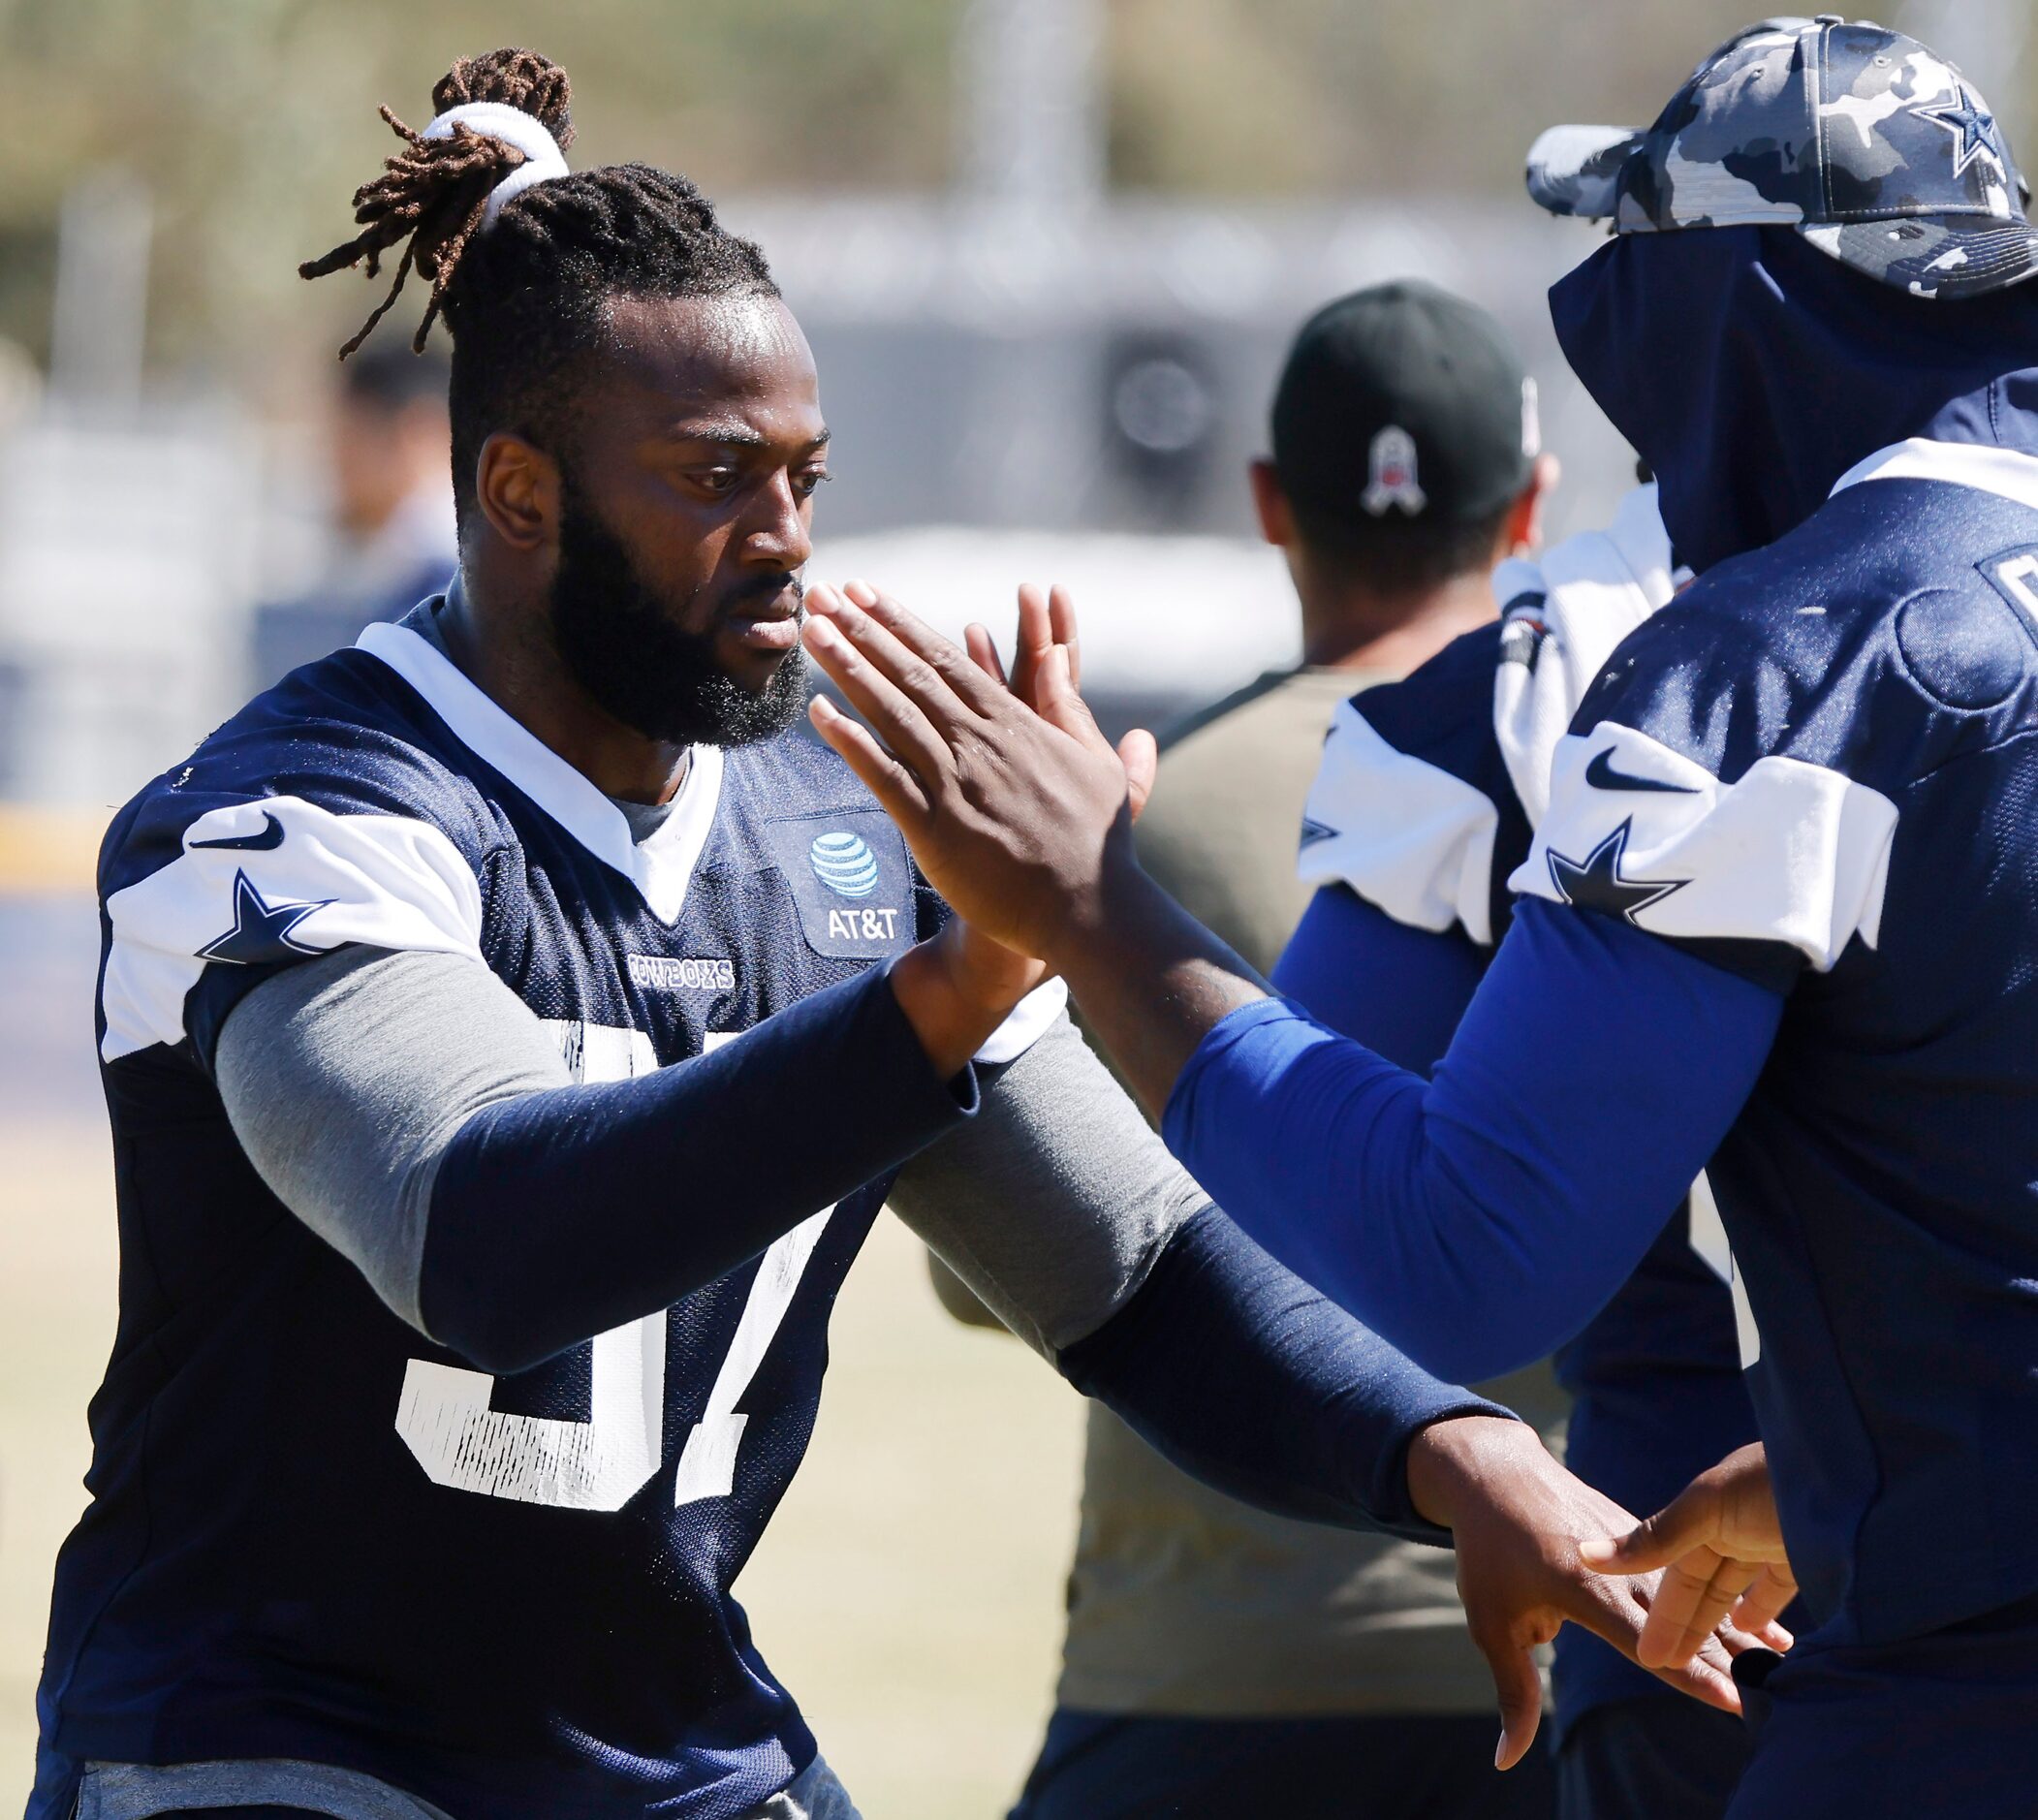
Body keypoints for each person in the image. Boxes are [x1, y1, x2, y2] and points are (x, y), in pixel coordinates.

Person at [27, 49, 1740, 1820]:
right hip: (280, 1741)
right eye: (714, 477)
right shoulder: (299, 812)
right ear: (521, 495)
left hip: (662, 1753)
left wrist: (1453, 1459)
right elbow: (474, 1233)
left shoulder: (843, 844)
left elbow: (1139, 1277)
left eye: (804, 475)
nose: (785, 542)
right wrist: (951, 988)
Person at [796, 16, 2038, 1813]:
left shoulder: (1769, 673)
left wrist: (1090, 902)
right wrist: (1859, 1457)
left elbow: (1464, 1255)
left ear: (1732, 314)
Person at [992, 283, 1566, 1820]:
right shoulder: (1623, 809)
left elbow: (1001, 1246)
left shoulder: (1131, 817)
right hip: (1563, 1642)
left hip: (1195, 1668)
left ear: (1264, 501)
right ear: (1530, 508)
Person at [1290, 476, 1772, 1818]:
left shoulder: (1557, 662)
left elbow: (1389, 1243)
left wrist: (1097, 919)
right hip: (1715, 1588)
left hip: (1685, 1591)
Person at [251, 343, 460, 685]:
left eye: (348, 435)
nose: (332, 461)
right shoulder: (413, 568)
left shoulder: (444, 581)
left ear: (415, 431)